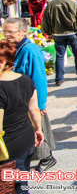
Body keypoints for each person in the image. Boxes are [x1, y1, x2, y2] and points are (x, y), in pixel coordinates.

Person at [4, 18, 56, 173]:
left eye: (10, 32)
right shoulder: (15, 48)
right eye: (4, 31)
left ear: (22, 31)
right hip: (19, 100)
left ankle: (46, 157)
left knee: (38, 128)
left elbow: (39, 79)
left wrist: (40, 104)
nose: (6, 35)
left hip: (30, 100)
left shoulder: (30, 50)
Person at [0, 40, 44, 194]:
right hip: (26, 140)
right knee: (21, 183)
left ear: (2, 62)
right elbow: (33, 109)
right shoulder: (25, 79)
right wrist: (38, 129)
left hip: (7, 149)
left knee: (8, 189)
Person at [41, 0, 77, 86]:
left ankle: (59, 78)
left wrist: (48, 32)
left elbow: (45, 20)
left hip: (58, 33)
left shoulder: (51, 4)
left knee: (59, 56)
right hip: (72, 32)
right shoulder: (73, 3)